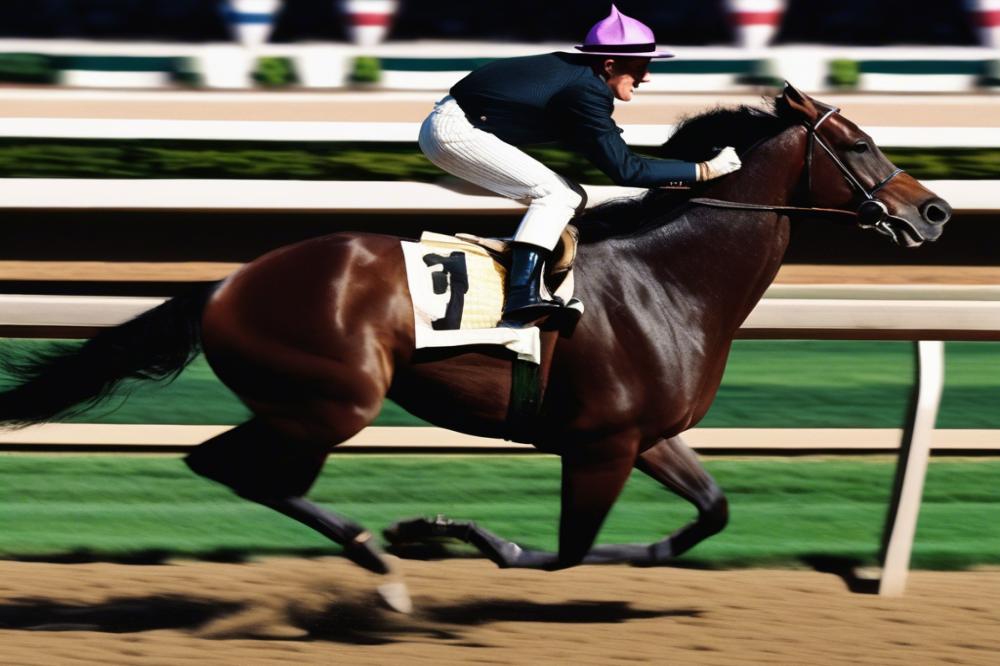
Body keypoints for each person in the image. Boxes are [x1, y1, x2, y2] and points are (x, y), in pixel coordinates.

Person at [419, 4, 742, 327]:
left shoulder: (581, 79)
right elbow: (627, 171)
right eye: (641, 66)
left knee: (571, 195)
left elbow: (617, 160)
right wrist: (704, 170)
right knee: (556, 197)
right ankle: (521, 295)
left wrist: (690, 174)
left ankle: (518, 259)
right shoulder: (586, 90)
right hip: (456, 131)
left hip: (457, 125)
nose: (646, 77)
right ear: (610, 64)